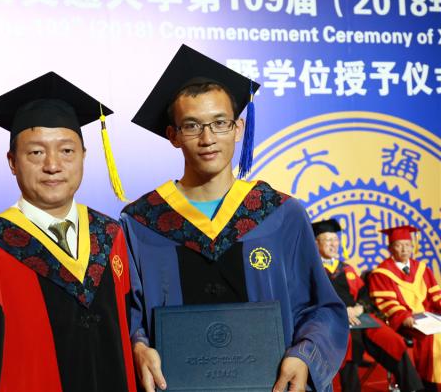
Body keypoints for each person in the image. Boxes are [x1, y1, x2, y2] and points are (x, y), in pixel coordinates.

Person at [120, 44, 348, 392]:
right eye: (192, 126)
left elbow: (321, 308)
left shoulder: (280, 214)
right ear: (173, 135)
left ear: (238, 128)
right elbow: (129, 314)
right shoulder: (142, 224)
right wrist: (137, 346)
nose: (208, 138)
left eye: (220, 123)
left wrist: (304, 355)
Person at [0, 72, 136, 391]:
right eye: (36, 152)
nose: (53, 165)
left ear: (84, 156)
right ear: (12, 162)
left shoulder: (109, 236)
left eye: (67, 151)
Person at [312, 219, 422, 392]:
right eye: (328, 240)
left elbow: (364, 293)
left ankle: (413, 388)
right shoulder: (312, 270)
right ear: (316, 243)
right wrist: (341, 312)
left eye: (335, 240)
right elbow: (312, 299)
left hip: (359, 318)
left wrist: (359, 307)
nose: (333, 244)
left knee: (393, 340)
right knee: (349, 345)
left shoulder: (346, 268)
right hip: (332, 321)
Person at [369, 225, 441, 391]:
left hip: (428, 317)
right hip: (404, 322)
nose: (404, 249)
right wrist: (403, 316)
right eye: (399, 245)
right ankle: (427, 383)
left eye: (408, 245)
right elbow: (386, 302)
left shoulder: (422, 268)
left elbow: (435, 294)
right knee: (433, 338)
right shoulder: (382, 273)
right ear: (390, 248)